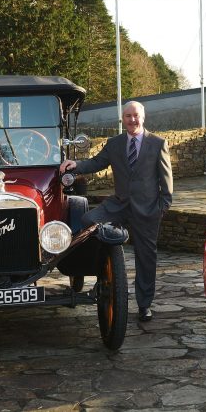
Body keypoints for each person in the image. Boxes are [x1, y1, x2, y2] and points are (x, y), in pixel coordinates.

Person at [60, 101, 173, 322]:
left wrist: (162, 207)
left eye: (136, 115)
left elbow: (166, 180)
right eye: (128, 116)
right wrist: (76, 165)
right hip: (119, 205)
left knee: (146, 258)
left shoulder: (158, 143)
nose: (132, 120)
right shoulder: (115, 143)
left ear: (143, 117)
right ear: (123, 118)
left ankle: (144, 305)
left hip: (148, 210)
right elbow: (96, 162)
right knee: (88, 219)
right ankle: (103, 266)